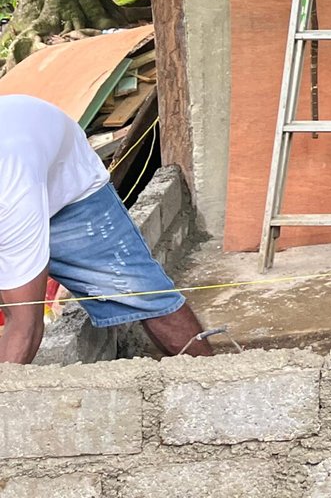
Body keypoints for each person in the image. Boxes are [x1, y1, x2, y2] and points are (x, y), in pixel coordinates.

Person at [0, 93, 213, 364]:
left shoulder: (13, 194)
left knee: (140, 291)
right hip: (30, 149)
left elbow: (25, 324)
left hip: (71, 196)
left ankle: (210, 375)